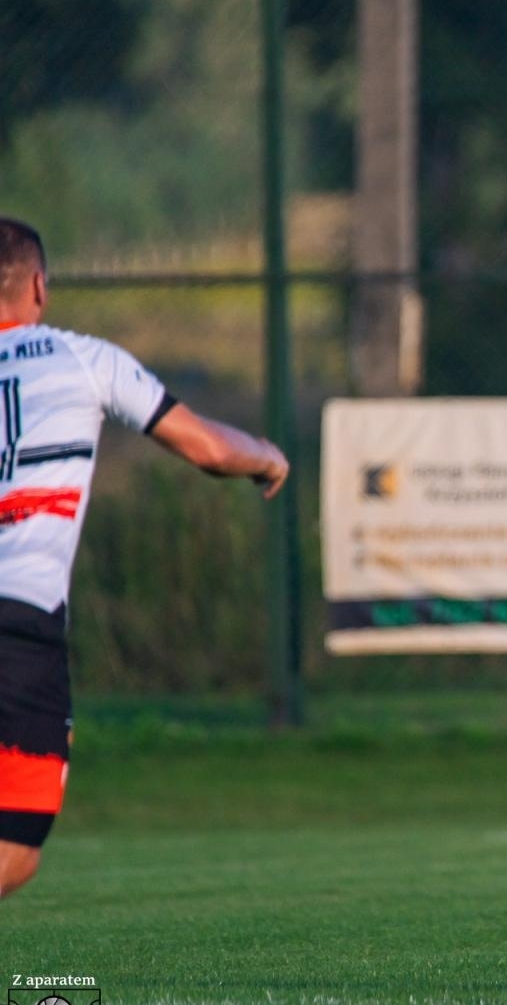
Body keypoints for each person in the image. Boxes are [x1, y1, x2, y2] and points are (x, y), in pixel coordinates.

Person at [0, 217, 290, 898]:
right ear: (39, 286)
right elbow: (209, 449)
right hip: (19, 625)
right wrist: (266, 454)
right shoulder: (82, 358)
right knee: (14, 845)